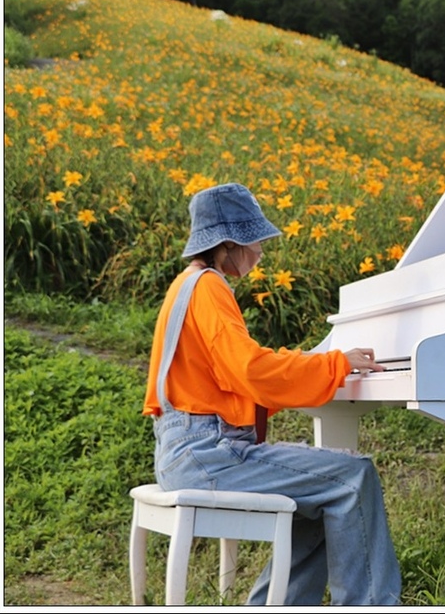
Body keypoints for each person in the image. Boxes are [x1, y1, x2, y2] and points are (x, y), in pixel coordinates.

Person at [141, 182, 401, 605]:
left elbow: (235, 374)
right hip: (209, 453)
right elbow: (250, 369)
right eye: (255, 237)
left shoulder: (185, 285)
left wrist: (316, 369)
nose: (261, 249)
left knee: (320, 497)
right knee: (355, 477)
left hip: (189, 449)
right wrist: (335, 364)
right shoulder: (209, 287)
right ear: (230, 242)